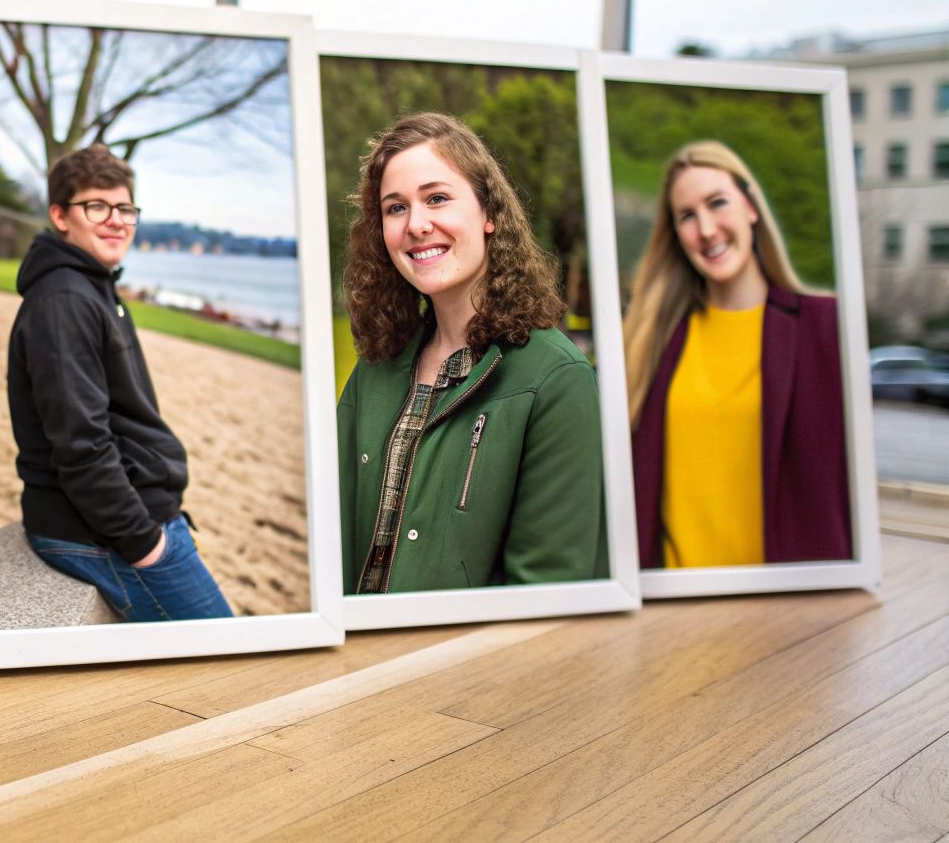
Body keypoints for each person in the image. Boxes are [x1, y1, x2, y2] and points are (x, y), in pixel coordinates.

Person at [338, 112, 605, 593]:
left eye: (437, 198)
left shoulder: (556, 378)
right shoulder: (376, 366)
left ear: (488, 214)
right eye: (395, 208)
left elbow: (548, 588)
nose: (416, 224)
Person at [6, 143, 233, 621]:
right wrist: (144, 544)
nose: (116, 219)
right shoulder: (64, 301)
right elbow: (81, 443)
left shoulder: (96, 286)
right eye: (97, 206)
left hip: (131, 517)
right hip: (102, 533)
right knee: (228, 658)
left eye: (125, 207)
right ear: (60, 215)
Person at [623, 141, 851, 568]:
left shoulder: (825, 328)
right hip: (673, 613)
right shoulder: (649, 340)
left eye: (718, 203)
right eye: (687, 216)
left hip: (788, 613)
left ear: (750, 207)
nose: (706, 229)